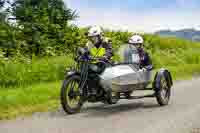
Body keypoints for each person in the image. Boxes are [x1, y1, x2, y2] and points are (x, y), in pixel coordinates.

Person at [84, 26, 113, 96]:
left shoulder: (106, 42)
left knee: (94, 74)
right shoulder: (89, 44)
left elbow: (110, 50)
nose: (92, 39)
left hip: (106, 63)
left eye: (94, 37)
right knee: (86, 71)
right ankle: (88, 89)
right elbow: (85, 51)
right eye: (91, 37)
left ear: (100, 36)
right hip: (94, 63)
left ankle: (100, 90)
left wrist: (106, 56)